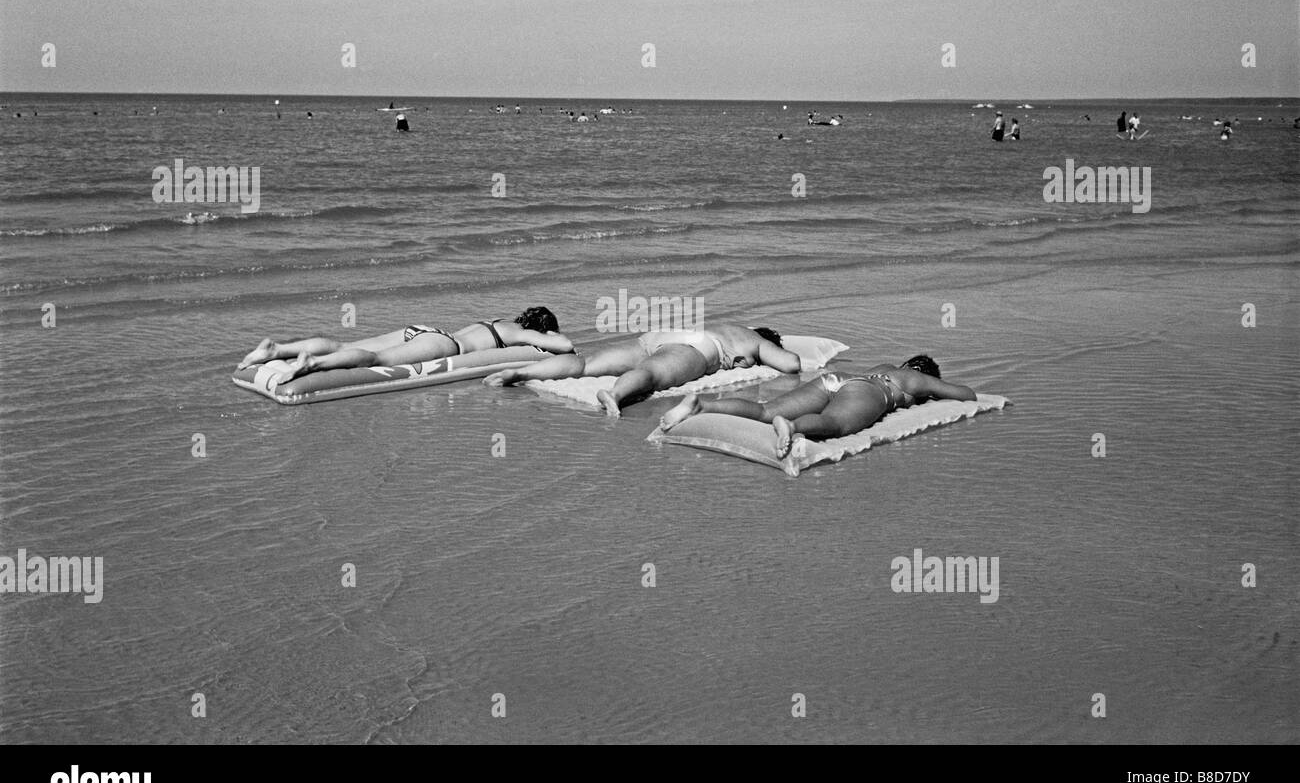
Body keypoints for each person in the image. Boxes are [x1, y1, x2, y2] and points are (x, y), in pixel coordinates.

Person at [660, 355, 976, 458]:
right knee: (835, 425)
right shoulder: (912, 378)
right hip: (868, 392)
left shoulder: (886, 364)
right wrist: (932, 390)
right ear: (921, 370)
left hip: (836, 379)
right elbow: (965, 394)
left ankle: (699, 406)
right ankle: (793, 427)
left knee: (765, 410)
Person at [484, 324, 801, 417]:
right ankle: (615, 393)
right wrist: (768, 350)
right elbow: (791, 364)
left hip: (665, 336)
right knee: (651, 375)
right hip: (700, 349)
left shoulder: (729, 324)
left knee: (586, 364)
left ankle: (521, 373)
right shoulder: (753, 339)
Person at [237, 307, 572, 378]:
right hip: (445, 345)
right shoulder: (522, 335)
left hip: (425, 327)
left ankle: (277, 349)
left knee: (343, 344)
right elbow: (564, 347)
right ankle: (312, 364)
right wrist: (553, 338)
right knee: (375, 359)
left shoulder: (499, 321)